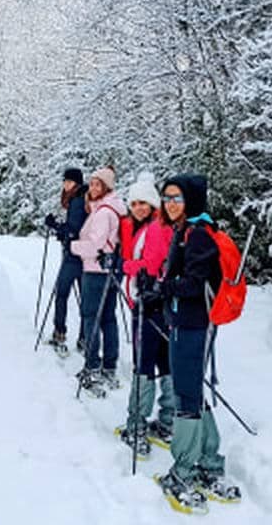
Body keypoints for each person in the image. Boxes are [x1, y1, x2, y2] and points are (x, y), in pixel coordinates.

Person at [152, 174, 240, 511]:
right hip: (186, 323)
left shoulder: (199, 236)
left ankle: (184, 472)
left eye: (177, 198)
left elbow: (191, 284)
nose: (170, 203)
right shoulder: (186, 231)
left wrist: (163, 289)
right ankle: (209, 464)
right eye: (167, 197)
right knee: (192, 393)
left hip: (193, 326)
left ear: (191, 200)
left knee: (187, 396)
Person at [114, 172, 175, 458]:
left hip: (147, 304)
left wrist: (124, 265)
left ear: (153, 205)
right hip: (162, 305)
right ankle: (167, 421)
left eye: (143, 203)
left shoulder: (154, 229)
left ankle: (136, 426)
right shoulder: (159, 226)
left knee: (143, 364)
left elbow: (149, 266)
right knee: (164, 361)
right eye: (134, 203)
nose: (138, 208)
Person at [70, 166, 127, 394]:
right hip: (111, 270)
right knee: (107, 318)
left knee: (90, 316)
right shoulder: (113, 208)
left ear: (107, 188)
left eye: (98, 184)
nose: (93, 188)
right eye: (92, 183)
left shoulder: (103, 212)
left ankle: (92, 365)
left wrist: (73, 246)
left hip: (95, 270)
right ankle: (109, 365)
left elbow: (95, 245)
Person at [44, 168, 89, 354]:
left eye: (69, 182)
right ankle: (83, 338)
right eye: (65, 181)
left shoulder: (77, 201)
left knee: (62, 294)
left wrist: (54, 226)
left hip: (73, 257)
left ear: (76, 183)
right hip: (83, 256)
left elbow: (73, 230)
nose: (65, 184)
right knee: (84, 300)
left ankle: (59, 333)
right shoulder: (79, 199)